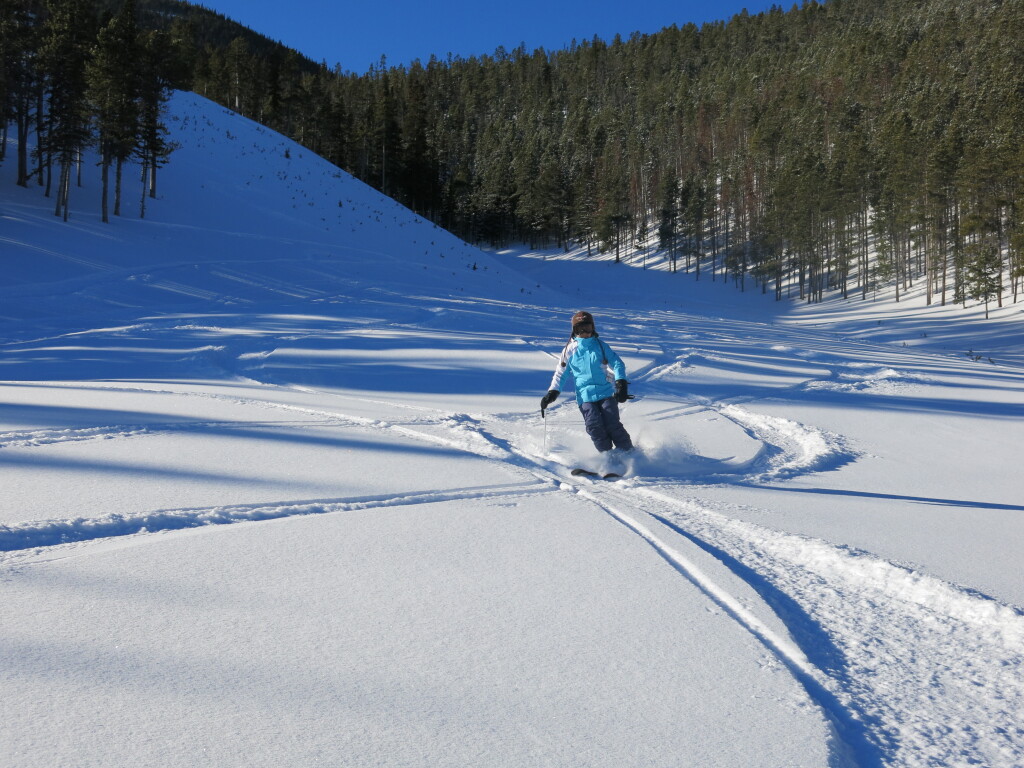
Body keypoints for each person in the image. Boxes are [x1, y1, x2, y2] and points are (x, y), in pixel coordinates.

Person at [541, 310, 634, 453]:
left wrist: (621, 383)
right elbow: (561, 373)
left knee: (612, 424)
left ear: (593, 328)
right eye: (580, 329)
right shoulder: (569, 351)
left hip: (606, 392)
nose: (584, 332)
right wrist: (553, 392)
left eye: (587, 328)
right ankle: (608, 457)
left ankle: (628, 454)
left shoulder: (601, 346)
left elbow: (617, 363)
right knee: (594, 426)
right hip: (584, 396)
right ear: (574, 331)